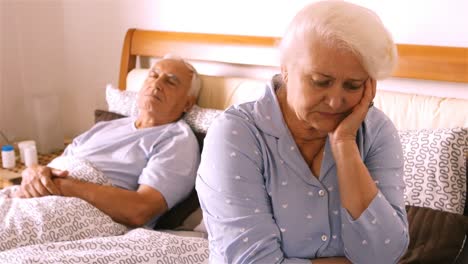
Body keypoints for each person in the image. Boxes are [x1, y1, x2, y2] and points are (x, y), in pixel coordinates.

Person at [196, 1, 409, 263]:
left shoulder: (377, 133)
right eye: (321, 82)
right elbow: (251, 260)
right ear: (285, 68)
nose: (335, 101)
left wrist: (344, 145)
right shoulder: (235, 134)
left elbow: (386, 254)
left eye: (353, 86)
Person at [14, 56, 201, 228]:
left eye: (171, 81)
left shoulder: (177, 140)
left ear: (188, 103)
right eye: (153, 76)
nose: (157, 84)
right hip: (34, 198)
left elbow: (140, 210)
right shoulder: (108, 127)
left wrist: (62, 187)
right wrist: (33, 172)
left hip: (78, 214)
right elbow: (57, 166)